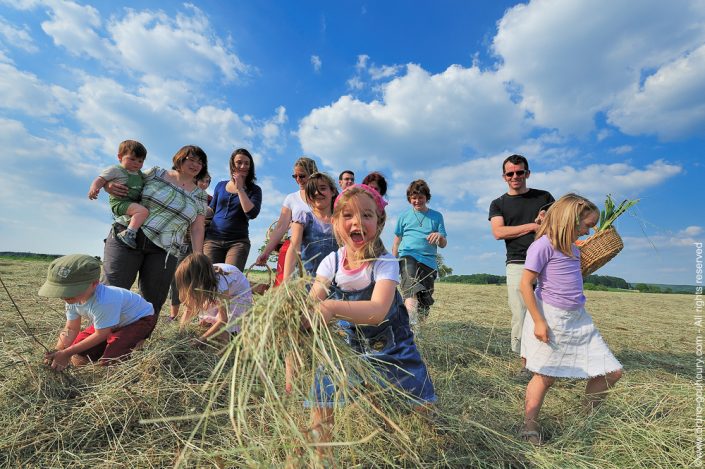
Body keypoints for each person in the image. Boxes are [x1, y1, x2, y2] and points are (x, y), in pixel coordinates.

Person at [308, 184, 436, 450]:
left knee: (419, 398)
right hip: (347, 345)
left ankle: (431, 438)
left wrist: (331, 308)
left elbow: (377, 310)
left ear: (379, 223)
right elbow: (313, 301)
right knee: (323, 390)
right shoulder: (330, 262)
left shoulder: (385, 262)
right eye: (348, 216)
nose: (357, 222)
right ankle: (320, 454)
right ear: (335, 221)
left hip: (392, 344)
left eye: (367, 215)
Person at [519, 194, 623, 445]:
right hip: (552, 317)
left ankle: (586, 420)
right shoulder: (543, 246)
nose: (589, 231)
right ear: (570, 219)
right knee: (546, 375)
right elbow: (525, 285)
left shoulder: (574, 248)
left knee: (612, 371)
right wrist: (539, 322)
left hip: (579, 318)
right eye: (587, 225)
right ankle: (529, 424)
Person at [102, 145, 209, 321]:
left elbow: (197, 228)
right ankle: (96, 340)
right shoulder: (156, 173)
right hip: (129, 235)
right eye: (191, 159)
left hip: (165, 250)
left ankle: (135, 343)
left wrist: (198, 255)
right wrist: (107, 185)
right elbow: (127, 177)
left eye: (200, 162)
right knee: (113, 291)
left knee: (152, 301)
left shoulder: (200, 196)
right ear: (179, 159)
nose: (196, 164)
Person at [489, 154, 555, 371]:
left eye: (520, 172)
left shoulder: (544, 197)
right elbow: (498, 232)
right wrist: (532, 226)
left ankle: (551, 358)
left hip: (548, 261)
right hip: (518, 262)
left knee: (552, 310)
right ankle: (525, 364)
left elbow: (558, 223)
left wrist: (546, 221)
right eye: (510, 173)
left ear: (528, 173)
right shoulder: (498, 204)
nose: (515, 176)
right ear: (504, 177)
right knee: (521, 313)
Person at [39, 254, 155, 369]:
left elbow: (101, 334)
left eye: (71, 290)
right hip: (111, 322)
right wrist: (59, 350)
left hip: (138, 320)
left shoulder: (104, 301)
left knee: (110, 360)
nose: (65, 296)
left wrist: (67, 353)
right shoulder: (72, 299)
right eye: (62, 291)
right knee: (78, 352)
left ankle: (137, 343)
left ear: (94, 284)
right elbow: (71, 328)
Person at [255, 157, 319, 285]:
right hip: (295, 249)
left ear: (313, 174)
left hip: (317, 248)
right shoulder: (291, 198)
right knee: (289, 287)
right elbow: (281, 227)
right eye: (294, 176)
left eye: (302, 176)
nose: (298, 180)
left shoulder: (323, 196)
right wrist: (266, 252)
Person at [392, 179, 447, 327]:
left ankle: (420, 331)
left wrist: (439, 237)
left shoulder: (436, 216)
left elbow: (443, 244)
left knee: (425, 300)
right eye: (413, 197)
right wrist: (392, 261)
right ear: (409, 198)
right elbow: (397, 240)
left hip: (428, 262)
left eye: (420, 197)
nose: (417, 201)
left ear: (426, 198)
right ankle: (410, 325)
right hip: (407, 256)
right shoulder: (403, 216)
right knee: (410, 287)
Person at [204, 148, 262, 272]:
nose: (243, 166)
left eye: (247, 163)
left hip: (237, 242)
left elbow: (251, 213)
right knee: (208, 281)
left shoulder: (255, 190)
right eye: (239, 162)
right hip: (212, 240)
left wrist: (240, 189)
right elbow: (211, 209)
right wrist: (197, 209)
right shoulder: (220, 185)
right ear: (232, 165)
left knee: (229, 280)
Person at [174, 253, 253, 343]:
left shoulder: (220, 285)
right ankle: (211, 332)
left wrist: (201, 340)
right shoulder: (206, 281)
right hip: (221, 292)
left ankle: (224, 349)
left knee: (224, 328)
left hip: (238, 296)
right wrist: (180, 333)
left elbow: (223, 320)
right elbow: (188, 309)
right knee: (206, 319)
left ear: (198, 281)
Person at [168, 172, 214, 321]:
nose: (204, 184)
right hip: (183, 242)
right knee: (177, 278)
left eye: (207, 181)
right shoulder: (183, 193)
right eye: (202, 180)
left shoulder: (210, 200)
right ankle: (173, 314)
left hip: (201, 244)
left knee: (198, 279)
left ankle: (193, 313)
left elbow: (211, 214)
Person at [88, 140, 149, 249]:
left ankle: (118, 234)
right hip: (120, 202)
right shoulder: (115, 170)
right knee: (142, 211)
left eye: (140, 161)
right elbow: (100, 179)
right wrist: (94, 188)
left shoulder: (140, 174)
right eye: (132, 159)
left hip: (131, 203)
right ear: (120, 157)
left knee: (142, 211)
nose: (136, 163)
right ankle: (128, 234)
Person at [283, 173, 338, 281]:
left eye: (322, 188)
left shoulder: (340, 221)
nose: (317, 192)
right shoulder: (304, 217)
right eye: (313, 190)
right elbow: (294, 248)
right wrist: (285, 284)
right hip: (306, 281)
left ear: (333, 191)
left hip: (333, 283)